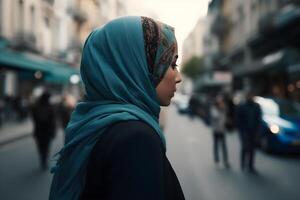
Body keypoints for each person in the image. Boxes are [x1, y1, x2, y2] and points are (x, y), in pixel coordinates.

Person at [49, 16, 185, 200]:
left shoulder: (93, 123)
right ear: (138, 66)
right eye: (171, 64)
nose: (178, 77)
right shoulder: (136, 139)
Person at [236, 90, 262, 173]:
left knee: (252, 149)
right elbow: (238, 119)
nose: (250, 97)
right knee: (245, 147)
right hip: (244, 131)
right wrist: (240, 130)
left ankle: (250, 166)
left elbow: (259, 119)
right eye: (249, 95)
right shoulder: (242, 106)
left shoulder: (257, 106)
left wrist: (258, 131)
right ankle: (243, 164)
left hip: (253, 131)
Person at [31, 92, 56, 170]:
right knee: (46, 147)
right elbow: (53, 121)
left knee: (41, 147)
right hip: (46, 131)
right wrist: (53, 131)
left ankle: (43, 159)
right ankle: (44, 160)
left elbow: (34, 118)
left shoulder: (36, 107)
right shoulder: (50, 107)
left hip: (39, 130)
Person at [210, 95, 230, 168]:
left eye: (221, 101)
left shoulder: (224, 108)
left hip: (222, 130)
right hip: (216, 130)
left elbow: (225, 118)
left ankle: (225, 161)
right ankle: (216, 159)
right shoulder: (214, 108)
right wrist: (221, 109)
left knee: (224, 146)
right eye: (219, 101)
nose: (221, 102)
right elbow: (215, 116)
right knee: (216, 145)